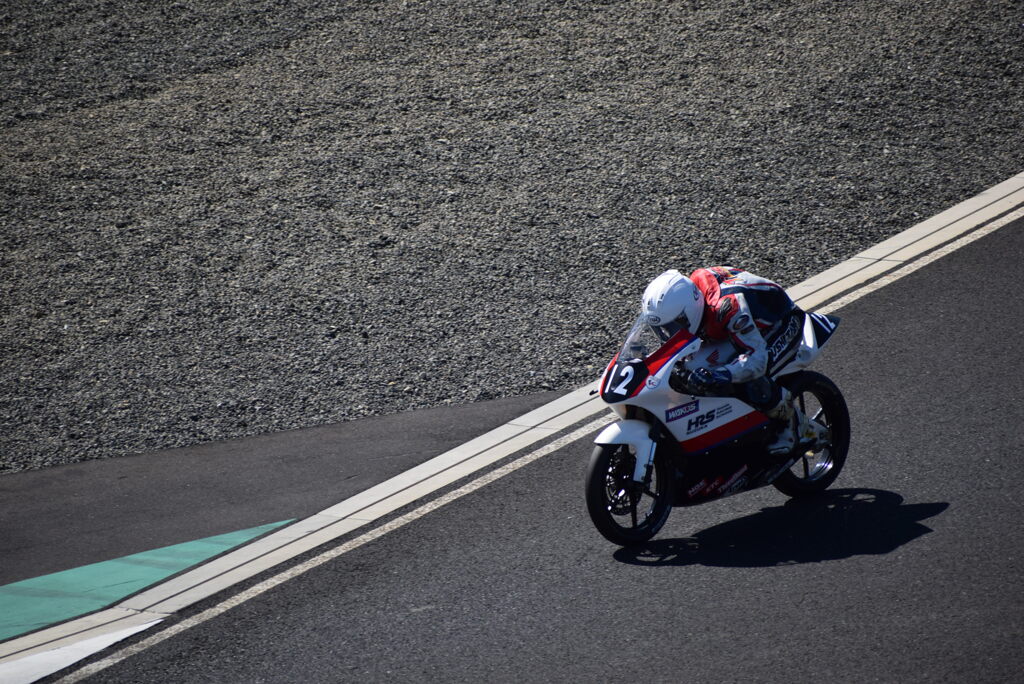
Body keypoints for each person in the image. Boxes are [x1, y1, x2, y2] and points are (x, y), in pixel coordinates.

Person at [640, 266, 804, 454]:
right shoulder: (689, 301)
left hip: (780, 323)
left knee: (748, 377)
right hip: (734, 330)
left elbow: (758, 358)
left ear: (688, 313)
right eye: (661, 329)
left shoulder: (727, 307)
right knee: (691, 368)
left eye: (671, 327)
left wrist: (724, 374)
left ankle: (791, 426)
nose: (667, 334)